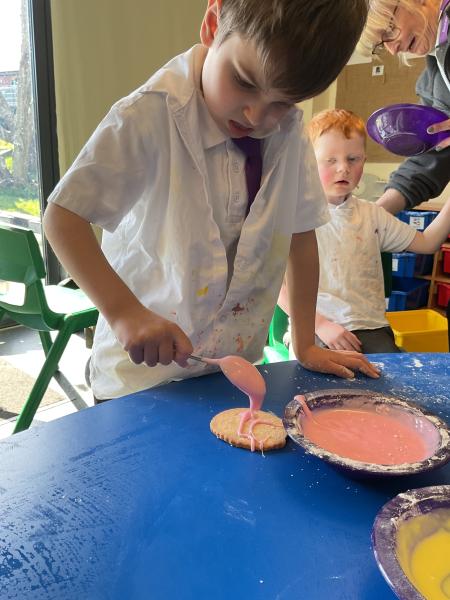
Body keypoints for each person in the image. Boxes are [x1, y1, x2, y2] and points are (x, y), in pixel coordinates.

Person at [43, 0, 379, 402]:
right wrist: (124, 313)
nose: (256, 116)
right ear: (213, 24)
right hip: (142, 379)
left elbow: (301, 234)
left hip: (231, 370)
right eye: (244, 81)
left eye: (283, 102)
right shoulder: (149, 113)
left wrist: (305, 343)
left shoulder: (288, 131)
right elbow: (63, 218)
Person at [279, 108, 450, 353]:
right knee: (325, 375)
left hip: (371, 328)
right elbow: (275, 287)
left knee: (388, 374)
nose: (343, 168)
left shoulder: (372, 215)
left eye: (353, 159)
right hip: (313, 329)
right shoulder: (293, 216)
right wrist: (321, 324)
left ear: (364, 161)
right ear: (307, 163)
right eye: (330, 160)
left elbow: (427, 243)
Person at [358, 0, 450, 215]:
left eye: (389, 30)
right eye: (382, 44)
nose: (393, 49)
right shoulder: (434, 81)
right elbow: (430, 156)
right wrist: (376, 215)